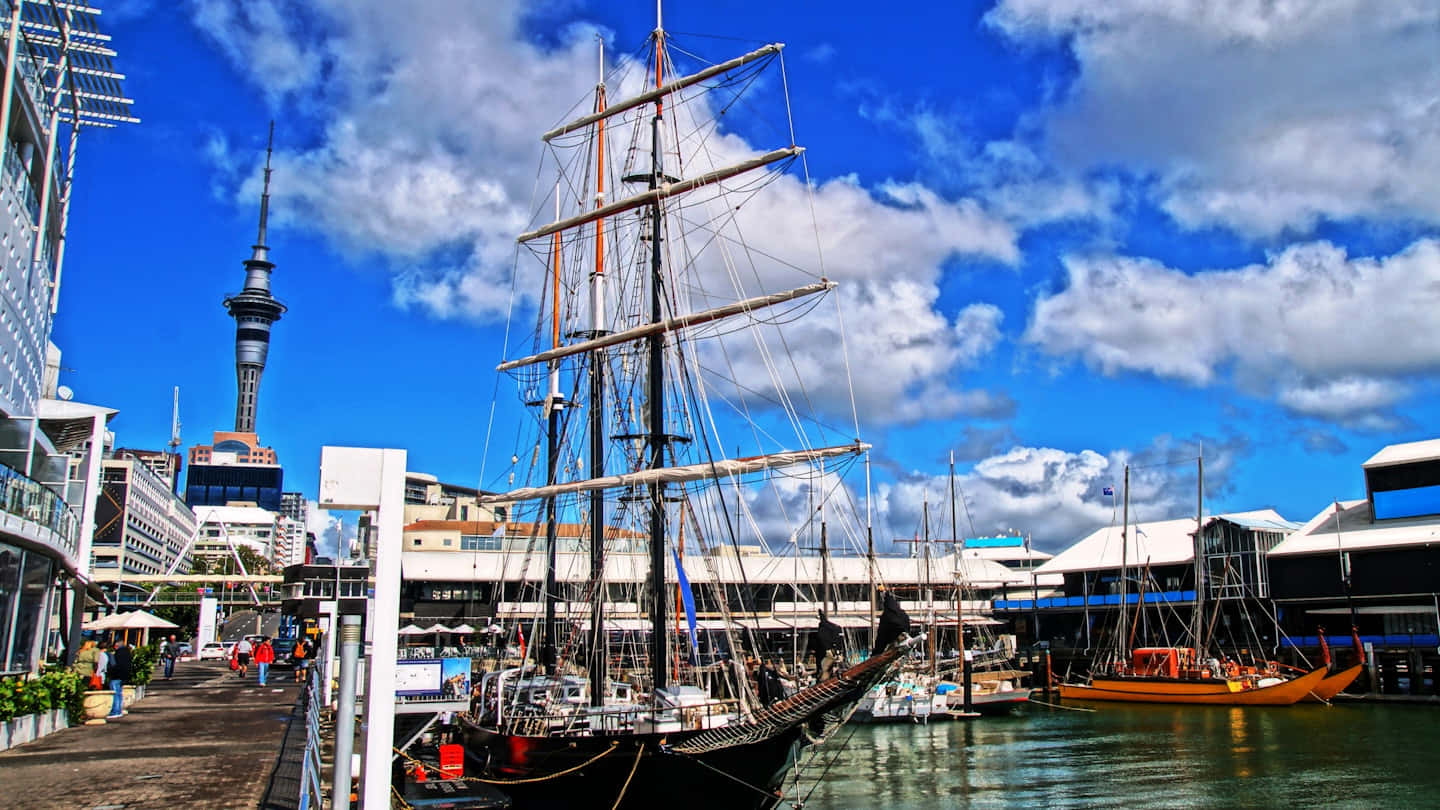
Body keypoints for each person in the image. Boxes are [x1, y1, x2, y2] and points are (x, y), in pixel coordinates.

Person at [871, 586, 912, 656]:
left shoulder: (887, 616)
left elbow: (881, 637)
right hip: (904, 638)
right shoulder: (903, 614)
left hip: (895, 641)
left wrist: (876, 653)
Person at [107, 637, 134, 719]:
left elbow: (115, 665)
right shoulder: (127, 652)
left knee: (115, 693)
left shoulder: (118, 653)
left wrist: (111, 671)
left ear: (116, 645)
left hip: (116, 675)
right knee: (119, 693)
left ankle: (115, 711)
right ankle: (118, 710)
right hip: (124, 675)